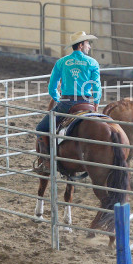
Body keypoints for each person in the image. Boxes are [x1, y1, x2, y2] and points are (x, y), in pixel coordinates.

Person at [33, 31, 102, 175]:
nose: (89, 46)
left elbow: (52, 87)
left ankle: (46, 162)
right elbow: (96, 86)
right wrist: (96, 103)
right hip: (86, 104)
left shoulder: (62, 62)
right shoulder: (92, 63)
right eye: (87, 43)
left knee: (41, 128)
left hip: (67, 103)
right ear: (81, 45)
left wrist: (58, 99)